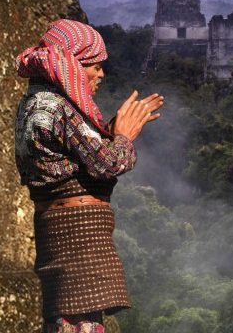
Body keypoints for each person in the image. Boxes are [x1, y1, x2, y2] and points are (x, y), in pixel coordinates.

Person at [14, 19, 163, 332]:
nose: (101, 74)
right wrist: (123, 136)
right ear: (72, 63)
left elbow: (79, 155)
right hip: (76, 239)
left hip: (66, 234)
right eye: (94, 65)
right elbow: (109, 164)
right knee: (79, 324)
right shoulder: (57, 109)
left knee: (68, 323)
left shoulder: (36, 103)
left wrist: (110, 132)